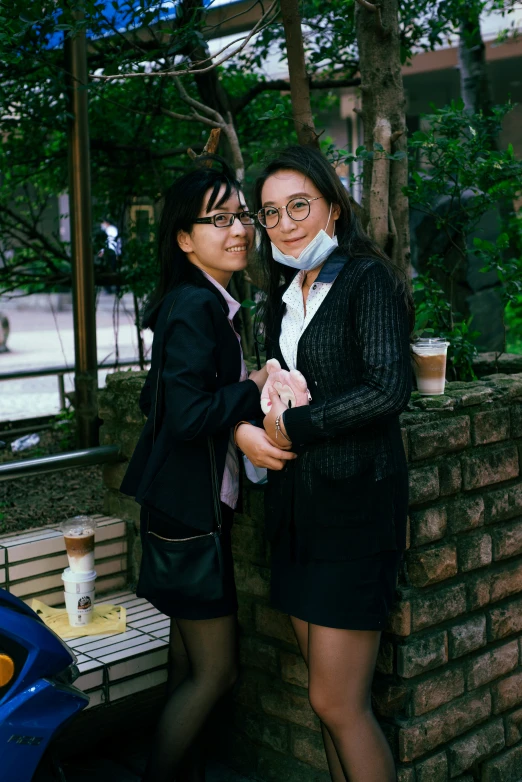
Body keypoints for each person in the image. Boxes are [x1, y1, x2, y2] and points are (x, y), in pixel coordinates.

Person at [235, 146, 413, 782]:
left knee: (336, 702)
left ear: (334, 208)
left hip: (354, 510)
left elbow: (389, 388)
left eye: (300, 206)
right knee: (325, 704)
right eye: (270, 212)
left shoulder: (367, 277)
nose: (285, 223)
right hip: (297, 514)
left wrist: (291, 425)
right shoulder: (287, 291)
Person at [119, 157, 294, 782]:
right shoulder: (194, 306)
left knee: (188, 663)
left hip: (182, 507)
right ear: (184, 238)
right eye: (219, 220)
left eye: (242, 215)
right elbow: (187, 414)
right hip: (186, 514)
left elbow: (156, 398)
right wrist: (250, 388)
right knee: (216, 672)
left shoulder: (199, 302)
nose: (240, 229)